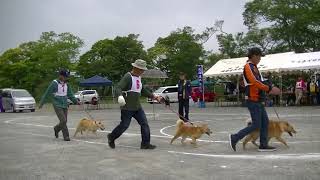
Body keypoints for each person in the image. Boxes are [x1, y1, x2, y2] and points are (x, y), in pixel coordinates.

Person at [229, 47, 279, 152]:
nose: (260, 58)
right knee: (257, 124)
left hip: (258, 99)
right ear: (254, 55)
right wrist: (269, 88)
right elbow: (254, 81)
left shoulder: (254, 67)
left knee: (265, 122)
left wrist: (268, 85)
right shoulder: (248, 66)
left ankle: (263, 145)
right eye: (259, 56)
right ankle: (235, 137)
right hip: (253, 99)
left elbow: (260, 81)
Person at [107, 59, 162, 150]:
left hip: (137, 107)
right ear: (135, 68)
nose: (143, 71)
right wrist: (120, 96)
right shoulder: (128, 77)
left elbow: (143, 90)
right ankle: (111, 137)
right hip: (127, 107)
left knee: (144, 124)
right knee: (124, 125)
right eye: (141, 70)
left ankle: (145, 144)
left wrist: (154, 96)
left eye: (143, 70)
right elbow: (118, 87)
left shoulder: (139, 78)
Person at [39, 69, 79, 141]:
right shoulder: (54, 83)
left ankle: (56, 128)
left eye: (67, 77)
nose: (66, 78)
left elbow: (70, 94)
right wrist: (42, 103)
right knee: (63, 120)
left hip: (65, 104)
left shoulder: (67, 84)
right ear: (60, 76)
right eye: (65, 76)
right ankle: (66, 136)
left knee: (64, 121)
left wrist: (76, 101)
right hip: (57, 104)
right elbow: (47, 93)